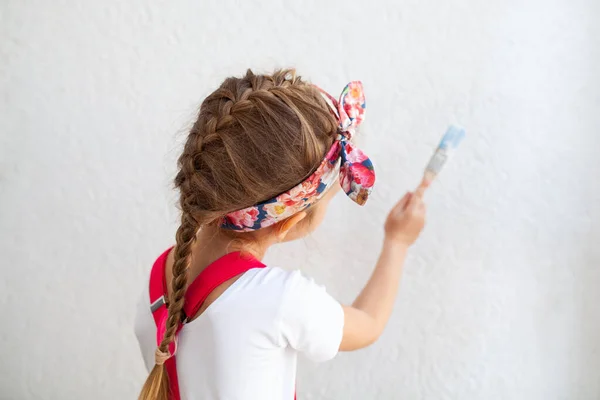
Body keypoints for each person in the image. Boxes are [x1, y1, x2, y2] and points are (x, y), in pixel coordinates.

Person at [134, 69, 426, 400]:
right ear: (289, 222)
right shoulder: (280, 299)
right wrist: (398, 242)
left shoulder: (159, 276)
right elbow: (368, 323)